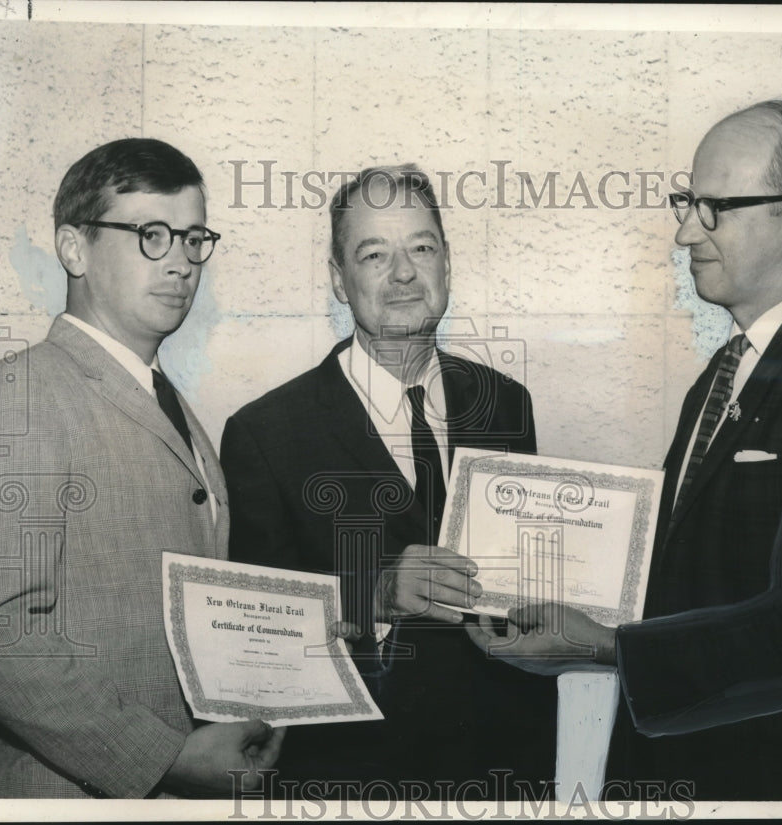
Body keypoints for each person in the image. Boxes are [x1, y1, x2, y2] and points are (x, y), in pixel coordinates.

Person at [468, 98, 782, 801]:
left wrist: (600, 644)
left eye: (714, 208)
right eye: (687, 202)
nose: (685, 232)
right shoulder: (719, 377)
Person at [220, 165, 557, 797]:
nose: (404, 274)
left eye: (422, 248)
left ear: (447, 265)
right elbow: (253, 636)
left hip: (506, 769)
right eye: (375, 254)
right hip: (351, 780)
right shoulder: (266, 433)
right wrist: (372, 594)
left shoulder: (507, 404)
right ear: (338, 279)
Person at [0, 138, 285, 798]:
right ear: (74, 248)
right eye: (151, 235)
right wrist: (164, 756)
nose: (180, 262)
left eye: (194, 238)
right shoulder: (19, 391)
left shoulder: (175, 406)